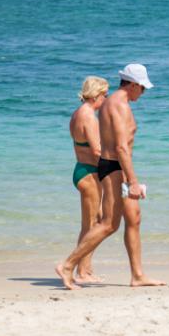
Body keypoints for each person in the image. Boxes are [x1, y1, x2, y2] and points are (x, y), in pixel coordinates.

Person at [55, 63, 166, 290]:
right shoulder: (118, 106)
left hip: (120, 167)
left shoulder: (115, 103)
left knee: (134, 219)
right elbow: (121, 147)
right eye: (142, 88)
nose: (143, 93)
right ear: (133, 85)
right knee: (109, 224)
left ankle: (137, 276)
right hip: (115, 167)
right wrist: (132, 181)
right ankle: (68, 265)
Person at [68, 75, 108, 284]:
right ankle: (81, 273)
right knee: (91, 225)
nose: (105, 100)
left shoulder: (76, 114)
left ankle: (86, 269)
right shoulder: (89, 116)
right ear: (97, 95)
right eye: (105, 95)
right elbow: (97, 150)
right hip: (89, 173)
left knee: (98, 222)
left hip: (81, 169)